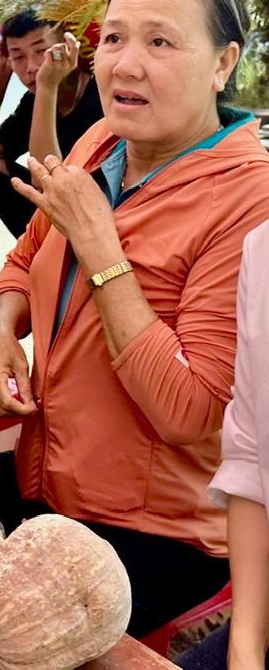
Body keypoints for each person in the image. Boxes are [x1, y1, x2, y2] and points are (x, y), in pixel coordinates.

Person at [0, 0, 269, 638]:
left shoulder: (250, 204)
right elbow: (24, 258)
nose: (125, 64)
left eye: (160, 42)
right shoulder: (100, 144)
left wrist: (100, 246)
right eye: (113, 38)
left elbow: (190, 410)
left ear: (223, 63)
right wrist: (4, 330)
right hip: (45, 480)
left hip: (155, 535)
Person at [185, 222, 269, 670]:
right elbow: (251, 456)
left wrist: (104, 258)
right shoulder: (261, 249)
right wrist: (246, 646)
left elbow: (181, 407)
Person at [0, 10, 104, 236]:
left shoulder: (100, 94)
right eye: (18, 56)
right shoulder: (33, 101)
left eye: (41, 51)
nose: (31, 67)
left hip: (100, 214)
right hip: (58, 217)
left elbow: (47, 181)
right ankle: (37, 252)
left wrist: (47, 86)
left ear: (67, 46)